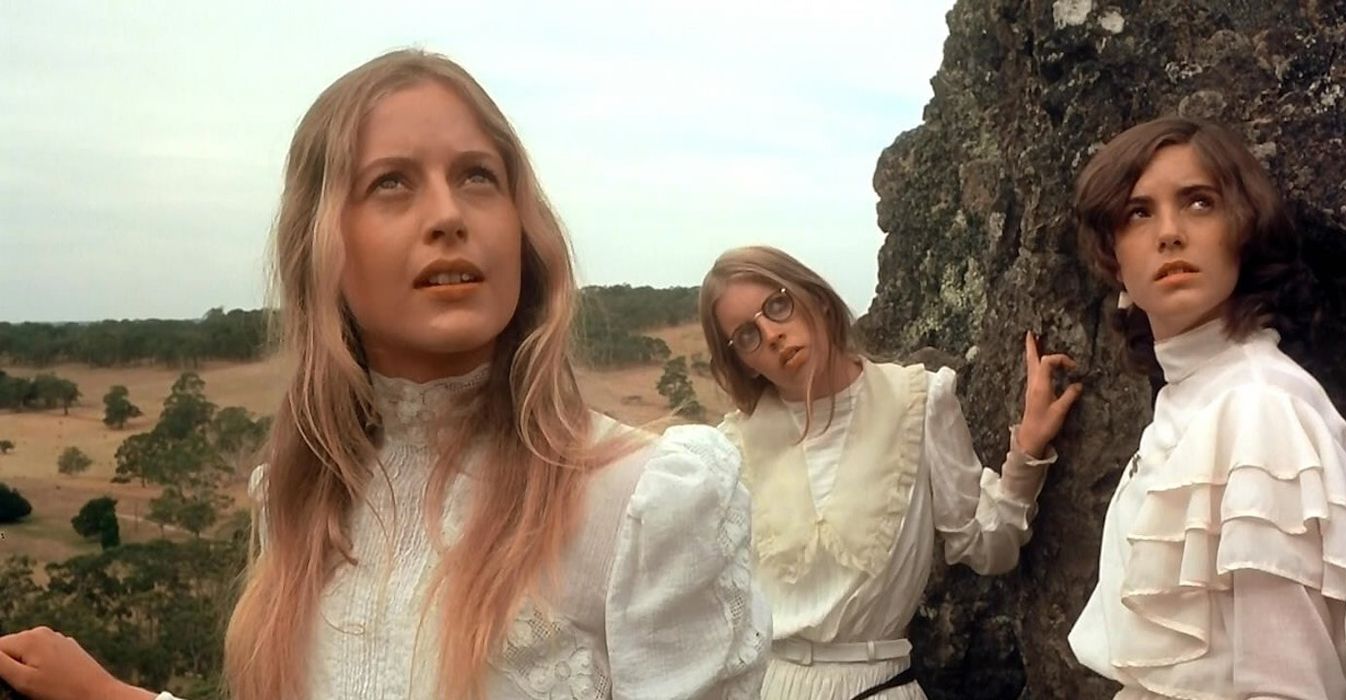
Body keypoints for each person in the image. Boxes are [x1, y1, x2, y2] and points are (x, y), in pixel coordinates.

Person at [0, 49, 769, 700]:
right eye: (391, 183)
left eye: (478, 177)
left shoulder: (648, 502)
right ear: (320, 246)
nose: (448, 214)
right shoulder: (300, 498)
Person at [1067, 116, 1346, 699]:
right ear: (1114, 261)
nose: (1169, 233)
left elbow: (1291, 688)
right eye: (1138, 213)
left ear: (1243, 230)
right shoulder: (1192, 397)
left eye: (1199, 203)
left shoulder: (1258, 408)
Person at [699, 246, 1081, 699]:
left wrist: (1028, 450)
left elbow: (985, 545)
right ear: (743, 360)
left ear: (815, 297)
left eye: (777, 306)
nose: (771, 334)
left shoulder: (918, 400)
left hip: (878, 684)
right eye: (747, 335)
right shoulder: (731, 447)